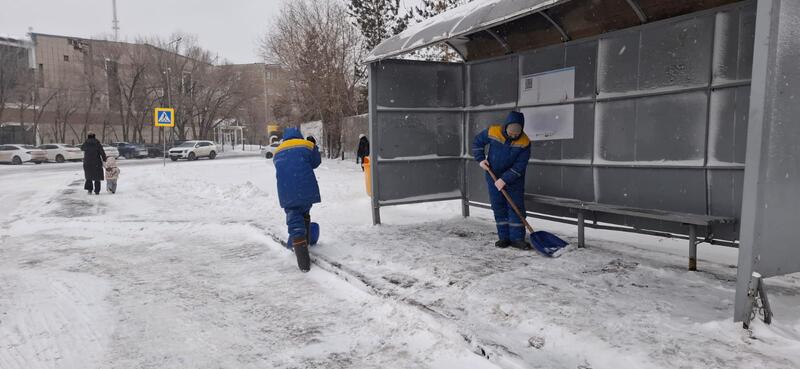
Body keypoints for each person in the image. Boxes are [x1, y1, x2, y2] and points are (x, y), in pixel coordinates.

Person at [472, 111, 531, 250]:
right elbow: (477, 142)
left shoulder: (525, 142)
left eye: (516, 134)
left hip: (514, 179)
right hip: (493, 175)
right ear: (506, 127)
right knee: (499, 207)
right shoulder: (494, 131)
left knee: (515, 208)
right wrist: (480, 159)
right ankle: (504, 237)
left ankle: (517, 239)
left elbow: (520, 165)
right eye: (511, 133)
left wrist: (505, 179)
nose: (513, 136)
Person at [274, 127, 322, 272]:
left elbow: (283, 167)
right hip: (306, 189)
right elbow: (316, 162)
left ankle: (304, 264)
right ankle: (304, 243)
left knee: (295, 224)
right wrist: (313, 145)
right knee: (304, 212)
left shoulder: (277, 151)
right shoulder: (306, 145)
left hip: (287, 191)